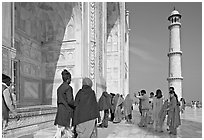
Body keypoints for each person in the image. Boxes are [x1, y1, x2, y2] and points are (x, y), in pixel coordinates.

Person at [54, 70, 74, 138]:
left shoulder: (59, 88)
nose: (71, 80)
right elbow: (70, 101)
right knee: (67, 130)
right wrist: (76, 104)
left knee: (60, 130)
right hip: (66, 111)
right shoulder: (68, 88)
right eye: (70, 79)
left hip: (60, 110)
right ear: (68, 79)